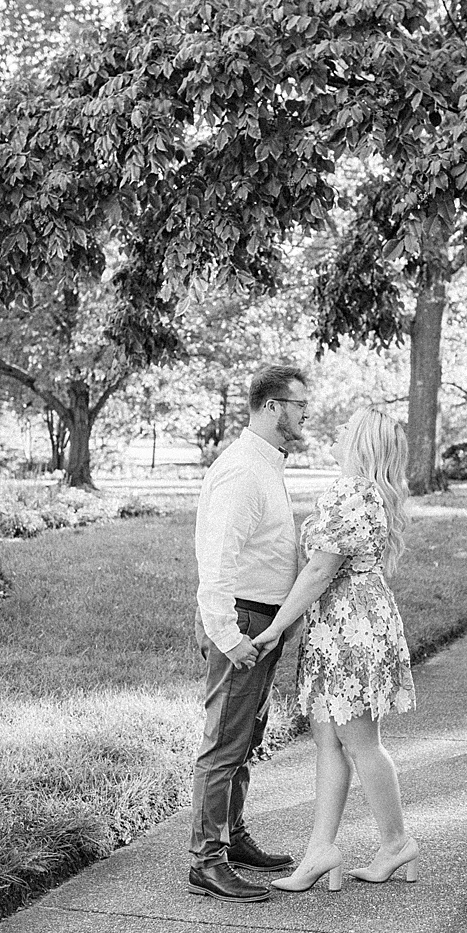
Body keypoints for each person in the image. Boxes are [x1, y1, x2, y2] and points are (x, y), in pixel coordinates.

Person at [255, 408, 419, 893]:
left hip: (350, 628)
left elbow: (320, 571)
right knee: (330, 740)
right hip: (346, 623)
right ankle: (321, 850)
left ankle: (396, 843)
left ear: (362, 443)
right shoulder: (364, 491)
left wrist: (277, 626)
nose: (339, 431)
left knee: (360, 742)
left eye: (348, 428)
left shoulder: (351, 493)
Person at [187, 363, 309, 903]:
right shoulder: (241, 469)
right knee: (224, 742)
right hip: (244, 622)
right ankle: (206, 862)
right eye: (300, 405)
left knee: (246, 739)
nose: (306, 415)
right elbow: (216, 561)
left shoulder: (266, 465)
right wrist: (228, 634)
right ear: (273, 407)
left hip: (265, 621)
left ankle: (232, 839)